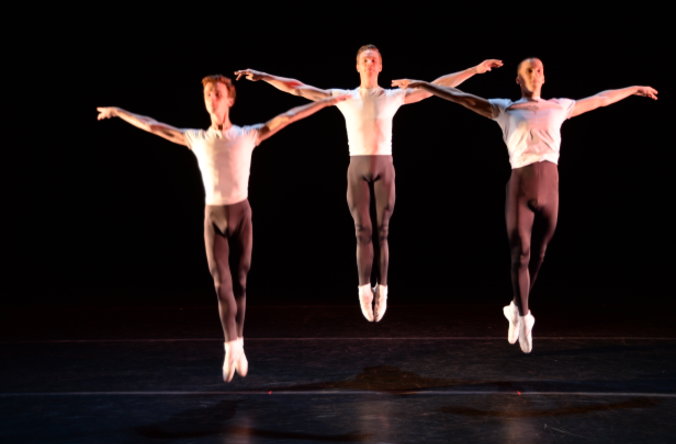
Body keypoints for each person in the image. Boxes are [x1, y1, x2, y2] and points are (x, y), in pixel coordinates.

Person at [392, 57, 658, 353]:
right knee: (520, 255)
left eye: (539, 70)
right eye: (529, 71)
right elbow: (461, 97)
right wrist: (423, 84)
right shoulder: (504, 109)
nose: (535, 74)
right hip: (519, 189)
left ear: (544, 78)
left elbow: (600, 99)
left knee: (539, 255)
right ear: (518, 80)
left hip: (550, 192)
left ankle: (515, 306)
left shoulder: (559, 107)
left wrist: (633, 88)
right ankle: (523, 316)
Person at [97, 75, 348, 382]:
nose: (211, 98)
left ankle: (239, 342)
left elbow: (288, 117)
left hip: (241, 215)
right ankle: (231, 345)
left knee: (240, 282)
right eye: (207, 94)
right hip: (213, 218)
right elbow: (153, 126)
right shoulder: (196, 138)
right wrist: (119, 112)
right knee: (221, 283)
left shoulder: (247, 134)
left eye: (217, 93)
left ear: (230, 100)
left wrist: (326, 101)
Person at [235, 45, 503, 323]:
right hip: (358, 169)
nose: (370, 62)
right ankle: (364, 289)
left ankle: (383, 289)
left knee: (382, 231)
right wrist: (264, 76)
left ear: (381, 66)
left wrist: (475, 70)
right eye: (365, 59)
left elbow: (438, 87)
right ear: (357, 66)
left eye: (374, 59)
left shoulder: (393, 96)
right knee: (362, 230)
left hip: (384, 168)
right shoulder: (345, 97)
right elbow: (299, 89)